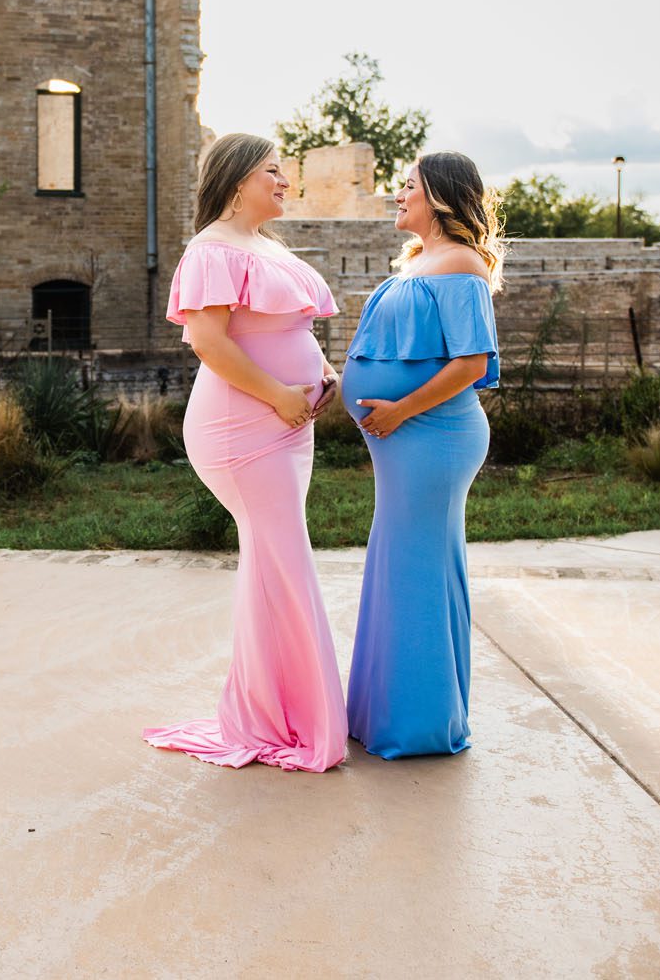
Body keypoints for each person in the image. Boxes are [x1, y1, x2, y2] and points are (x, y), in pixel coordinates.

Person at [143, 132, 349, 772]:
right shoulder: (210, 249)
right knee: (284, 559)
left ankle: (278, 711)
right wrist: (281, 396)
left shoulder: (267, 248)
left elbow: (287, 328)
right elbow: (209, 341)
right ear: (236, 181)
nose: (284, 181)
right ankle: (293, 719)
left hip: (287, 423)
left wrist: (322, 374)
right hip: (242, 427)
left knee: (275, 559)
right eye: (272, 171)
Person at [344, 151, 501, 758]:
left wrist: (400, 410)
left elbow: (471, 362)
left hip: (433, 437)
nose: (397, 193)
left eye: (407, 185)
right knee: (400, 562)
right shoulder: (420, 261)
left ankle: (420, 725)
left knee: (417, 570)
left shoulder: (460, 262)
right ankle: (387, 710)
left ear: (437, 195)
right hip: (402, 440)